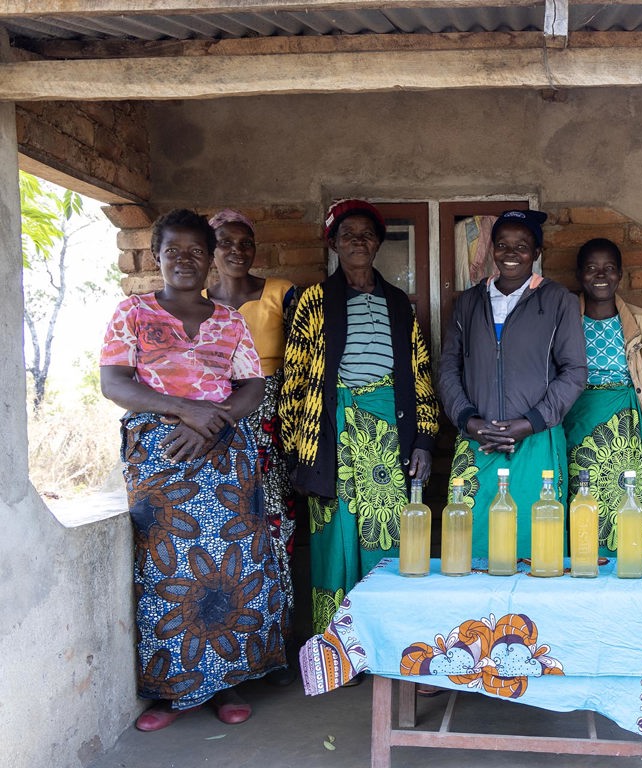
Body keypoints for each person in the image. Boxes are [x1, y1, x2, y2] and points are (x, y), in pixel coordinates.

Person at [100, 209, 285, 731]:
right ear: (156, 256)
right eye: (173, 250)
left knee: (233, 565)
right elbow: (114, 383)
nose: (185, 259)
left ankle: (228, 683)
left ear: (210, 260)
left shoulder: (229, 321)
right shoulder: (131, 312)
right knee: (166, 568)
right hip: (161, 453)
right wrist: (185, 411)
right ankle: (171, 691)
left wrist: (216, 419)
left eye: (196, 252)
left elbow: (252, 384)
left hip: (226, 450)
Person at [279, 199, 438, 635]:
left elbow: (420, 373)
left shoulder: (398, 304)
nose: (358, 242)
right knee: (333, 541)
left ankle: (388, 643)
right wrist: (297, 453)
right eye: (348, 235)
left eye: (367, 235)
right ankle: (338, 646)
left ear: (379, 244)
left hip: (389, 433)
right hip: (328, 435)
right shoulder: (313, 301)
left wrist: (424, 439)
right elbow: (295, 378)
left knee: (388, 538)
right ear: (333, 243)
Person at [439, 209, 587, 559]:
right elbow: (448, 368)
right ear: (491, 249)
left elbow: (575, 371)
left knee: (536, 546)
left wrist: (531, 422)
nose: (510, 253)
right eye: (502, 244)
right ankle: (477, 617)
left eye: (522, 246)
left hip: (536, 441)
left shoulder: (557, 300)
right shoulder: (469, 303)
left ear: (536, 253)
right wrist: (469, 420)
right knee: (472, 545)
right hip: (478, 441)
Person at [206, 209, 298, 684]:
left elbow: (305, 359)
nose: (237, 251)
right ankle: (233, 647)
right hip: (216, 423)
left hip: (273, 422)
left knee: (275, 529)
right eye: (226, 242)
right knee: (227, 531)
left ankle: (275, 646)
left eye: (246, 243)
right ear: (210, 248)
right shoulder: (196, 303)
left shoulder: (281, 293)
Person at [564, 238, 642, 557]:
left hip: (627, 430)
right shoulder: (564, 319)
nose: (601, 274)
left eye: (609, 268)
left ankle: (628, 593)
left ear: (621, 274)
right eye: (592, 268)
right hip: (575, 427)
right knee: (578, 507)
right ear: (579, 273)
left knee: (626, 506)